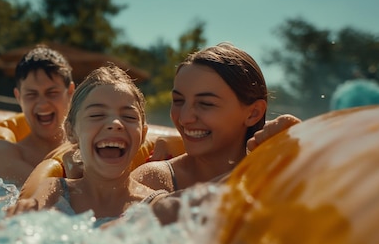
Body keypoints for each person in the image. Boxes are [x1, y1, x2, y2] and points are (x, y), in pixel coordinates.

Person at [128, 43, 301, 224]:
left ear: (253, 113)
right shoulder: (153, 180)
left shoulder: (281, 176)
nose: (185, 118)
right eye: (178, 101)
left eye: (206, 104)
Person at [3, 65, 160, 226]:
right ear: (71, 131)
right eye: (97, 115)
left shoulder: (157, 207)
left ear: (143, 134)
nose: (115, 124)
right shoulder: (54, 192)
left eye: (128, 116)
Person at [0, 45, 75, 185]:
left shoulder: (91, 151)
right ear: (18, 97)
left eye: (52, 93)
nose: (42, 104)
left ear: (70, 92)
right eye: (31, 94)